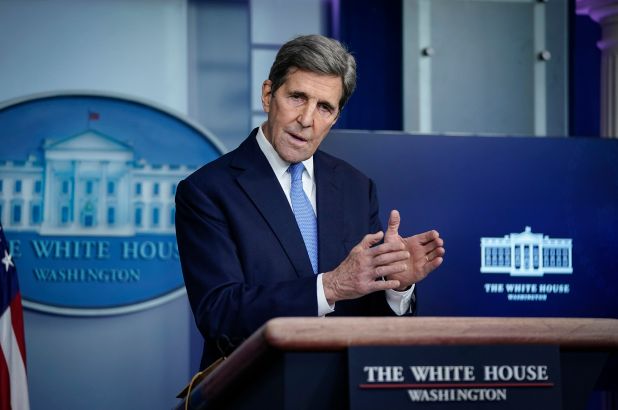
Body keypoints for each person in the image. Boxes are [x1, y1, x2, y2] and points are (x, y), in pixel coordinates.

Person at [175, 34, 445, 370]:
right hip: (257, 385)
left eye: (324, 107)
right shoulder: (208, 190)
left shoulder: (356, 187)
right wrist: (330, 287)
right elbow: (220, 314)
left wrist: (396, 286)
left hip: (347, 386)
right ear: (268, 95)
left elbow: (367, 317)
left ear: (335, 117)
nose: (306, 119)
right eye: (297, 97)